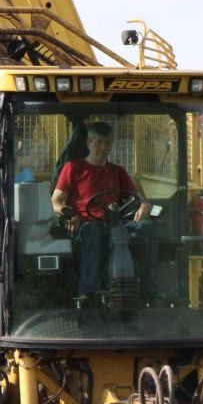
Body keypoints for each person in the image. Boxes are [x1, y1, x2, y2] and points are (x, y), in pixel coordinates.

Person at [52, 121, 156, 302]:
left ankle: (149, 289)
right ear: (88, 144)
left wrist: (143, 206)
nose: (103, 147)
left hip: (115, 223)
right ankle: (88, 293)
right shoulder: (73, 168)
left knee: (146, 230)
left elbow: (137, 198)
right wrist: (69, 214)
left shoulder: (118, 171)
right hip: (85, 224)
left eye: (107, 143)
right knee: (95, 230)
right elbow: (57, 200)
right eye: (98, 142)